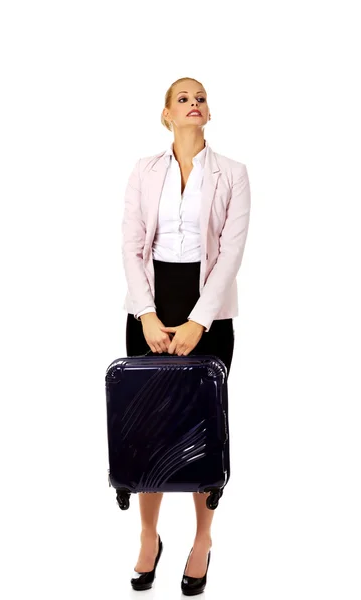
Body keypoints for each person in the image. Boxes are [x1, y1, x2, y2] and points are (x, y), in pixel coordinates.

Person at [121, 77, 251, 595]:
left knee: (200, 432)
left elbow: (230, 254)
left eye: (200, 98)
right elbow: (130, 247)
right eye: (183, 98)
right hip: (151, 305)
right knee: (148, 430)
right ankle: (149, 537)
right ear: (165, 114)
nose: (194, 103)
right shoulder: (143, 171)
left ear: (208, 114)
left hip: (210, 312)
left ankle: (202, 541)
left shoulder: (234, 174)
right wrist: (146, 316)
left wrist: (199, 320)